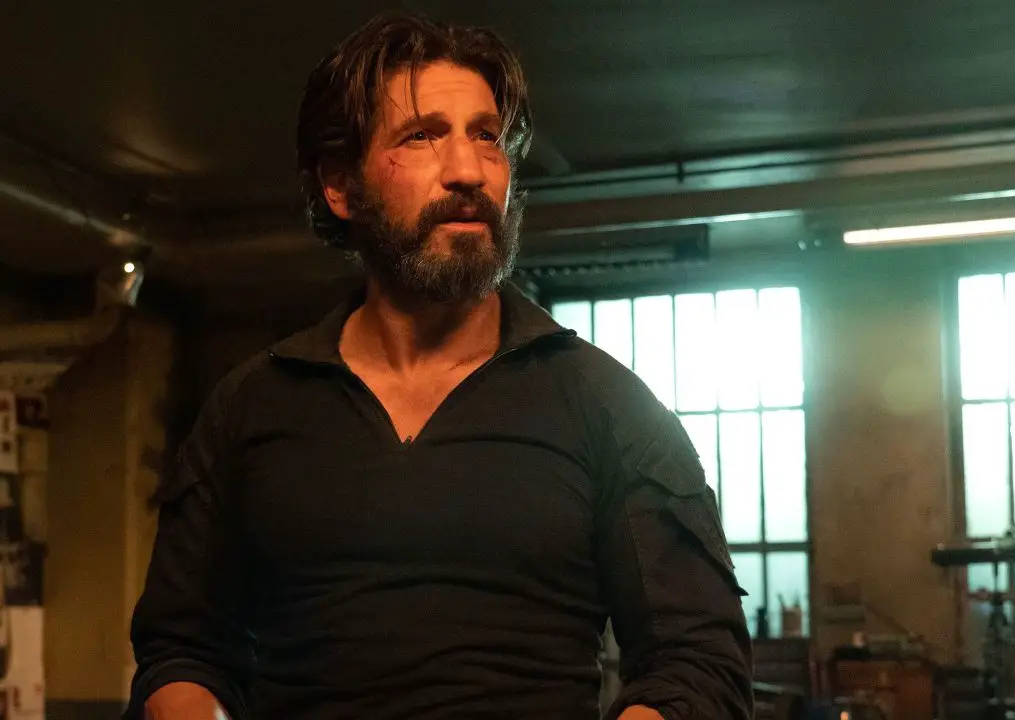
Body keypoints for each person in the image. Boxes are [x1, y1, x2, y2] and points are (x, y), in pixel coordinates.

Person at [126, 11, 752, 720]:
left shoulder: (607, 404)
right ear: (339, 185)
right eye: (422, 136)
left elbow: (698, 663)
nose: (468, 170)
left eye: (487, 136)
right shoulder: (250, 406)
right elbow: (182, 650)